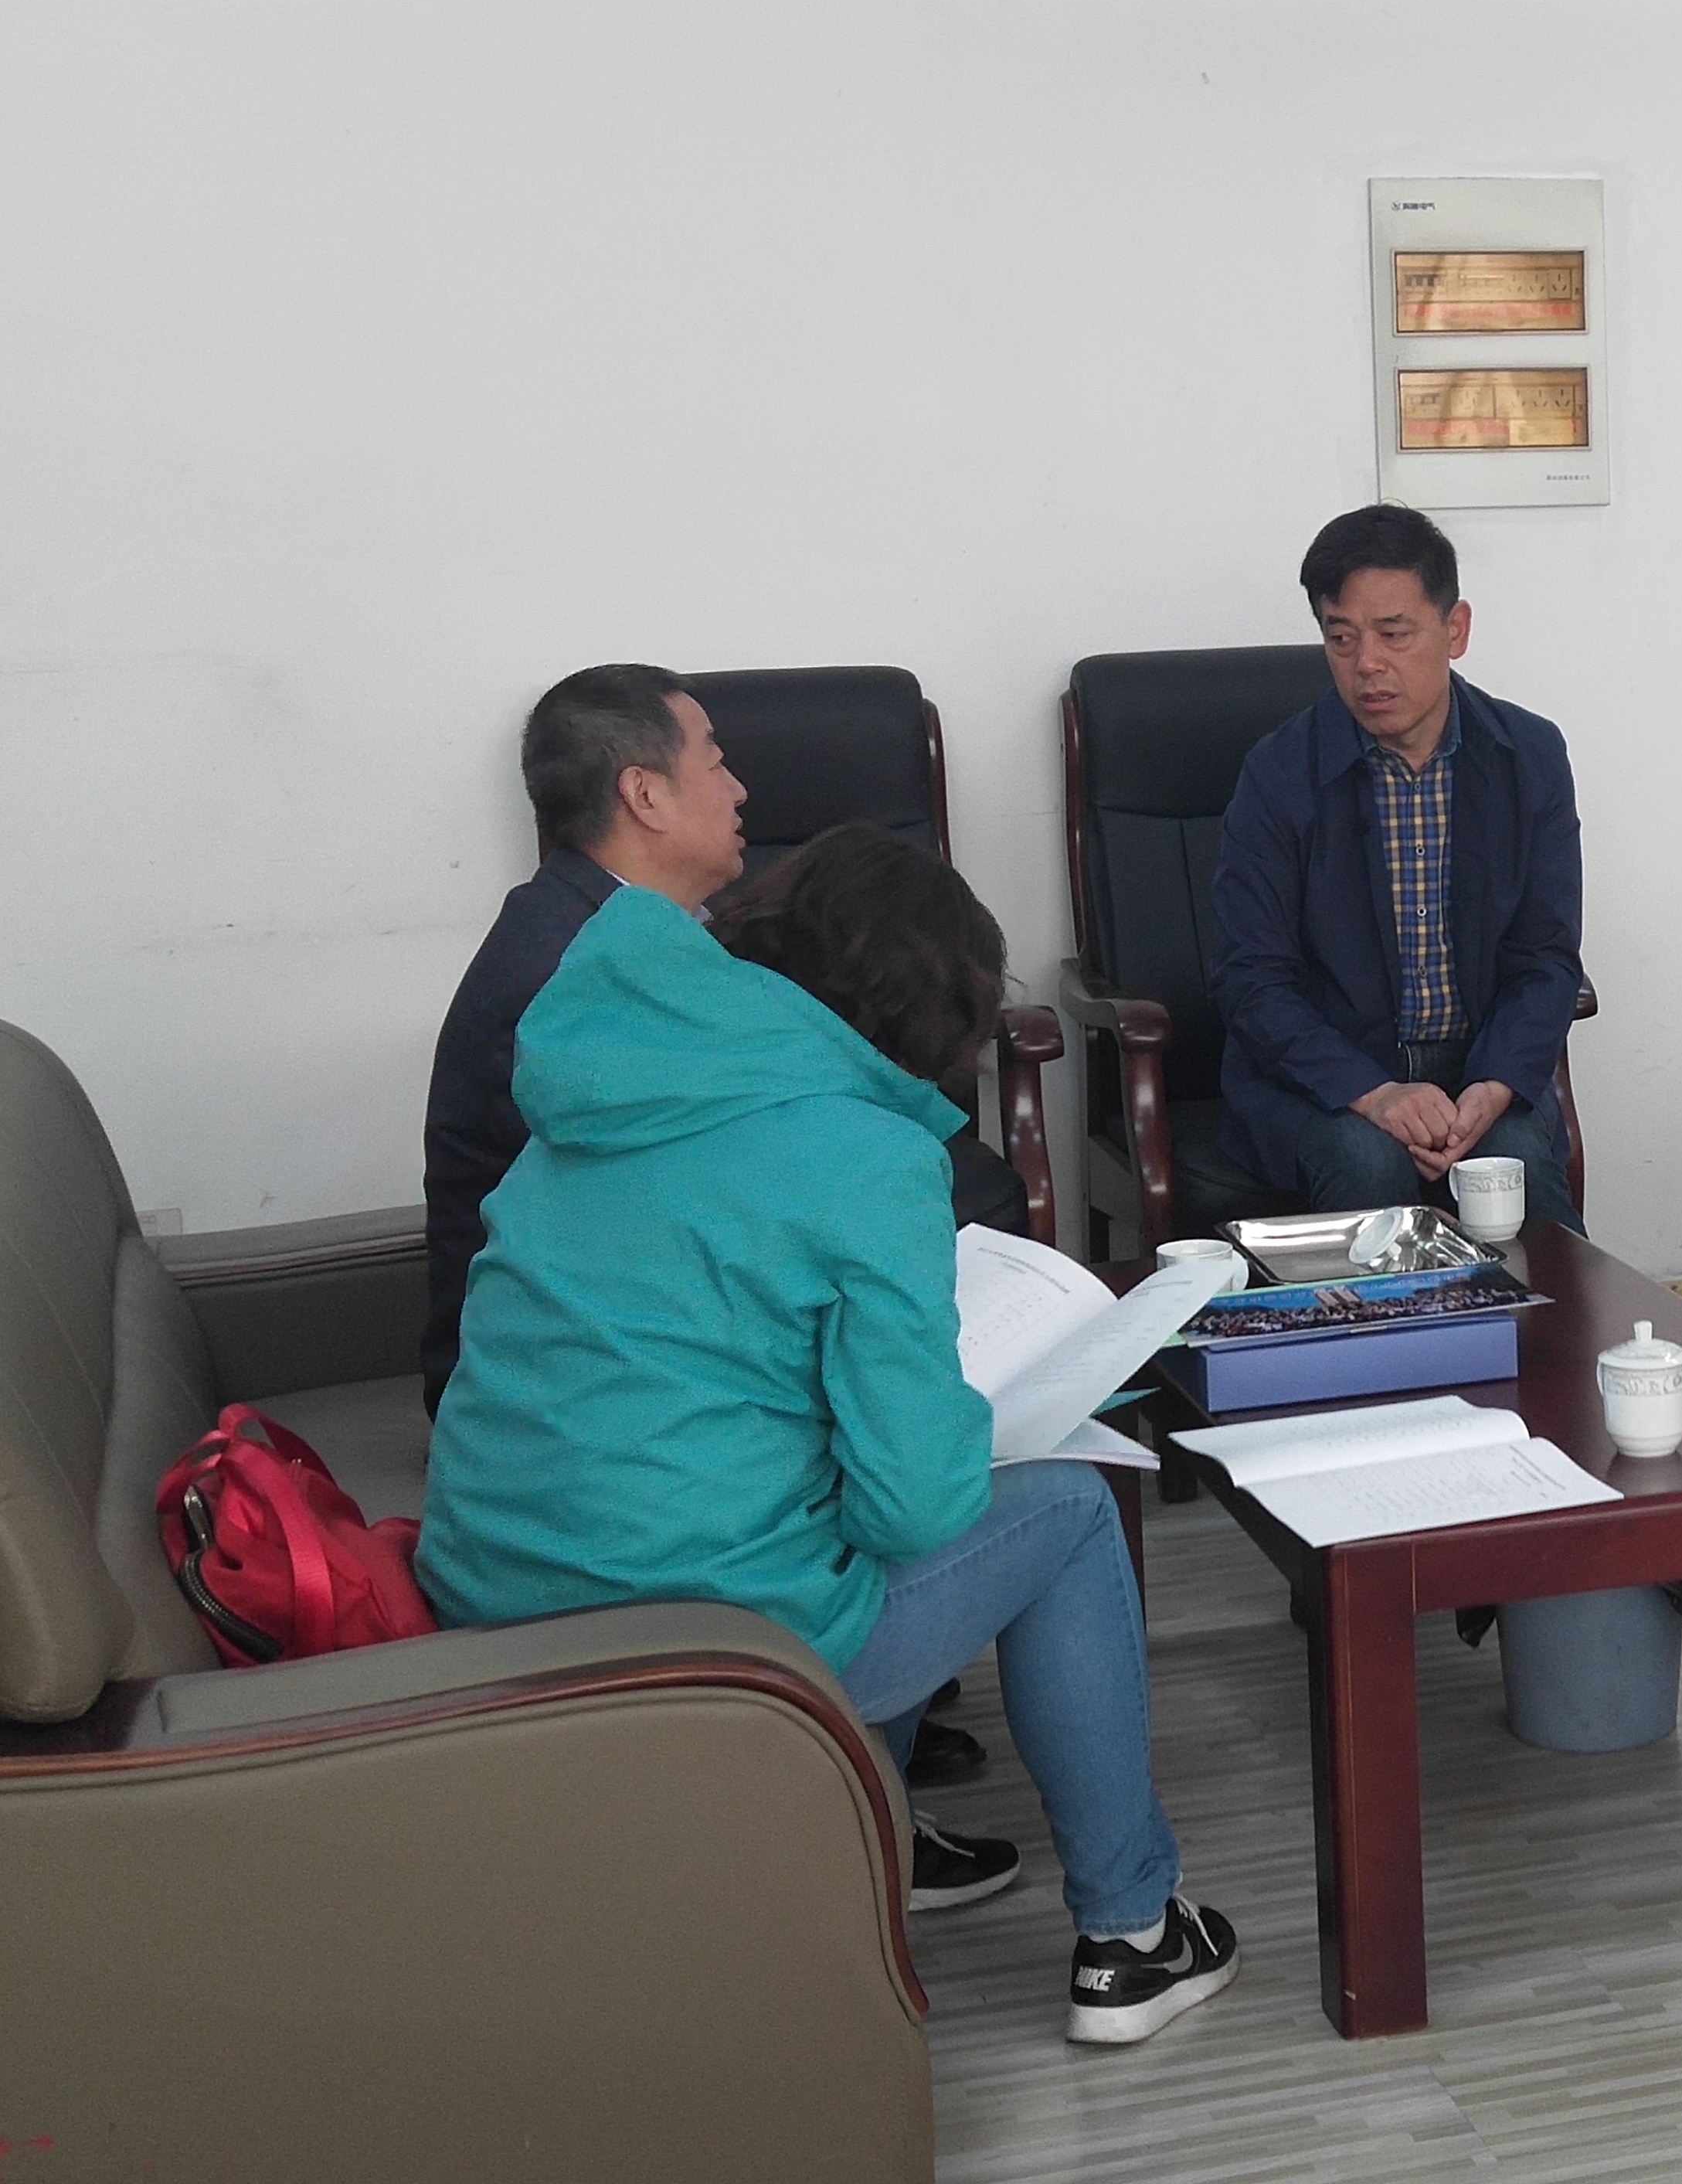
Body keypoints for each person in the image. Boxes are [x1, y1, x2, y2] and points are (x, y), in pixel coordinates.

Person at [415, 822, 1239, 2047]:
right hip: (705, 1649)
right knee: (1062, 1507)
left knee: (829, 1502)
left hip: (492, 1603)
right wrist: (954, 1420)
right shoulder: (864, 1155)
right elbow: (912, 1509)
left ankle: (875, 1834)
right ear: (926, 1021)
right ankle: (1135, 1932)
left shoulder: (602, 1084)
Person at [420, 665, 1017, 1805]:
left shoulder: (626, 971)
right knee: (975, 1477)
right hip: (601, 1471)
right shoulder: (565, 979)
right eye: (717, 760)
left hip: (518, 1506)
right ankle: (861, 1807)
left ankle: (858, 1809)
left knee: (871, 1398)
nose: (742, 789)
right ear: (644, 794)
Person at [1209, 503, 1588, 1232]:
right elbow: (1250, 979)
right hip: (1328, 1083)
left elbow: (1545, 956)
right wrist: (1375, 1094)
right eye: (1341, 638)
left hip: (1477, 1064)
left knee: (1514, 1166)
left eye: (1393, 634)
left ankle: (1553, 1313)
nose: (1367, 665)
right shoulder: (1279, 774)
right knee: (1369, 1163)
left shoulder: (1530, 757)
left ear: (1456, 630)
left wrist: (1496, 1083)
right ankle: (1373, 1317)